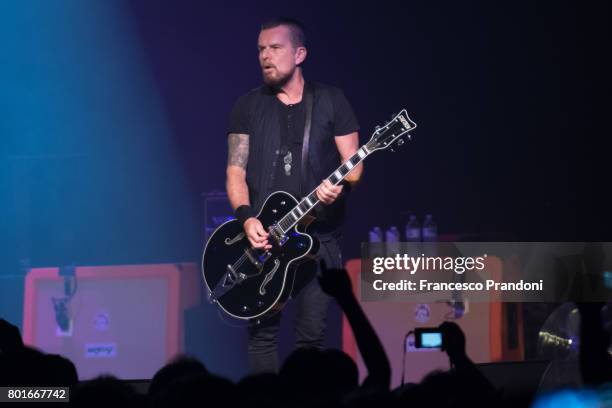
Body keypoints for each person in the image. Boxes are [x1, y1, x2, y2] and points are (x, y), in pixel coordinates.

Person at [225, 17, 363, 373]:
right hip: (266, 238)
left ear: (299, 53)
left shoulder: (331, 100)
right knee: (261, 337)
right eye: (260, 49)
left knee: (311, 337)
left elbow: (355, 164)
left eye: (275, 48)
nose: (265, 57)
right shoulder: (247, 105)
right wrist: (246, 217)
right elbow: (235, 171)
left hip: (319, 237)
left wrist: (341, 187)